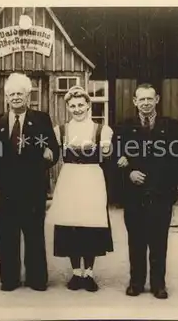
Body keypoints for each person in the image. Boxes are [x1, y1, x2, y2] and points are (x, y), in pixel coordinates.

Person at [0, 73, 59, 292]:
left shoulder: (41, 119)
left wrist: (49, 153)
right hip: (5, 188)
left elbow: (54, 150)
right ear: (6, 97)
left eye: (20, 93)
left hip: (33, 187)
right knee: (7, 234)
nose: (16, 97)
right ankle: (9, 279)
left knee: (34, 233)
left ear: (28, 96)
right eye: (12, 94)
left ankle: (36, 279)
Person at [116, 83, 178, 299]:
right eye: (141, 99)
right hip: (134, 194)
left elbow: (177, 159)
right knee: (135, 239)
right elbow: (115, 158)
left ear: (157, 100)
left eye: (149, 99)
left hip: (160, 193)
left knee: (158, 240)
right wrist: (129, 172)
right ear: (135, 101)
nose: (145, 103)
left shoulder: (171, 126)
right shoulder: (125, 127)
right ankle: (136, 282)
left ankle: (158, 284)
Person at [47, 86, 114, 292]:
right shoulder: (61, 130)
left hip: (92, 178)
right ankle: (76, 272)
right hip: (70, 178)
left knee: (91, 224)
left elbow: (108, 153)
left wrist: (106, 148)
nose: (77, 109)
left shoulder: (102, 130)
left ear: (88, 105)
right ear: (68, 107)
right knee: (71, 225)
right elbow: (49, 151)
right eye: (73, 106)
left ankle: (89, 273)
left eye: (81, 105)